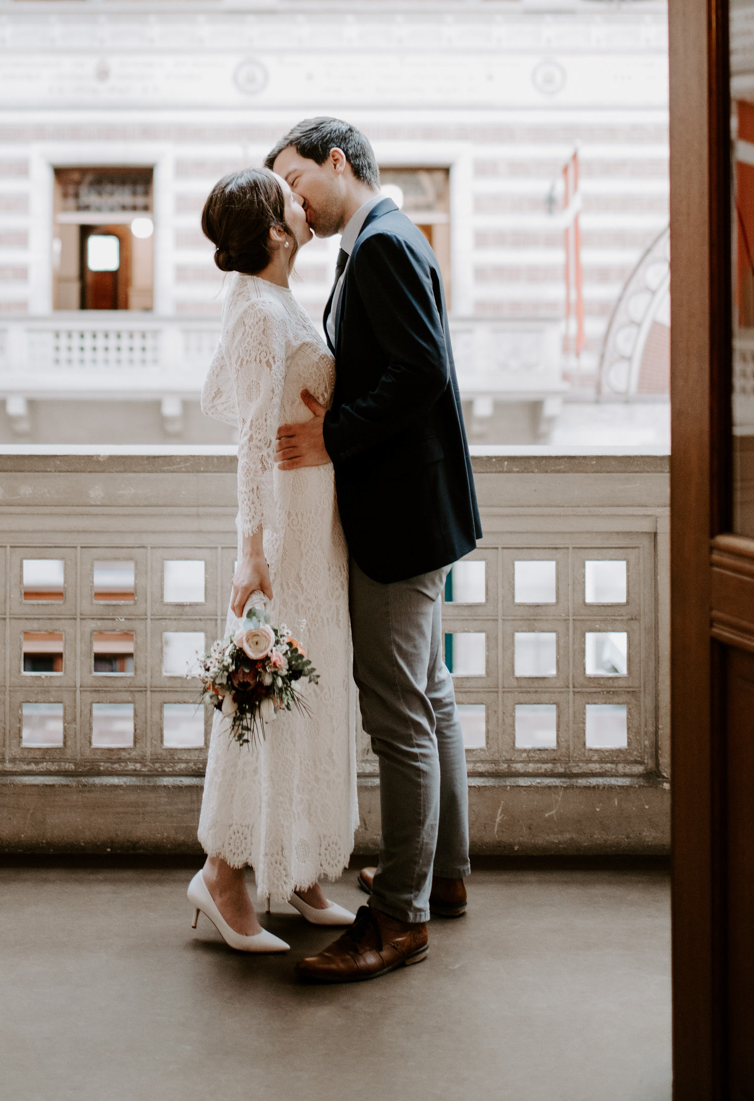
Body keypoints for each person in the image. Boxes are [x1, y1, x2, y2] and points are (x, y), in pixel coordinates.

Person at [268, 117, 481, 985]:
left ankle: (400, 915)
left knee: (396, 713)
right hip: (420, 510)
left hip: (400, 517)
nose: (292, 200)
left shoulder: (384, 244)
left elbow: (421, 371)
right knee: (429, 695)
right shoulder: (382, 240)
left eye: (295, 180)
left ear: (336, 161)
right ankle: (442, 873)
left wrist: (334, 439)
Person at [187, 167, 359, 953]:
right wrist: (249, 552)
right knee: (268, 695)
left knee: (312, 689)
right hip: (283, 528)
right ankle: (223, 876)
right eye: (288, 194)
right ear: (278, 230)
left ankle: (294, 869)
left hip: (318, 517)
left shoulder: (282, 301)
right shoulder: (257, 310)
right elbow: (251, 439)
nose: (303, 196)